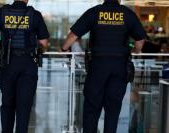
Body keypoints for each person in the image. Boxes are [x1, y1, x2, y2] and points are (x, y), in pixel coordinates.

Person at [61, 0, 146, 132]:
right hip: (119, 66)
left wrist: (64, 48)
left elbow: (73, 35)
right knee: (113, 109)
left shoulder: (94, 12)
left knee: (91, 108)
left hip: (98, 66)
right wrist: (135, 51)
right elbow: (140, 40)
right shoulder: (127, 14)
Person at [0, 0, 49, 132]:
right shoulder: (34, 15)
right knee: (24, 105)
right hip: (28, 64)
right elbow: (44, 43)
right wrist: (41, 50)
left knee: (7, 103)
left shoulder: (2, 13)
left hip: (8, 63)